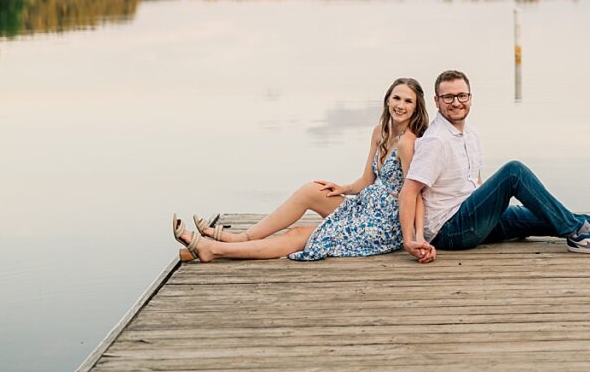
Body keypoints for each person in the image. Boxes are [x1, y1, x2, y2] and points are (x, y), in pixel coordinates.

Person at [398, 70, 590, 263]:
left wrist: (492, 206)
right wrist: (411, 241)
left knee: (550, 215)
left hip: (475, 217)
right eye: (448, 97)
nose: (456, 102)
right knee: (514, 171)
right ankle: (581, 236)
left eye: (461, 95)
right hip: (451, 230)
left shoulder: (470, 134)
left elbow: (474, 185)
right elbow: (410, 192)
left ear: (471, 97)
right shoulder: (436, 140)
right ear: (436, 102)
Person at [173, 77, 430, 262]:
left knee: (301, 234)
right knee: (313, 189)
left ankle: (214, 249)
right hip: (365, 206)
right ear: (387, 100)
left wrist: (416, 237)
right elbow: (366, 180)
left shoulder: (409, 143)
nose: (401, 105)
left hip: (386, 222)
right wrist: (342, 188)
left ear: (416, 108)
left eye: (408, 101)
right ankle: (241, 237)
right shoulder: (380, 132)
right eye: (396, 98)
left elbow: (415, 194)